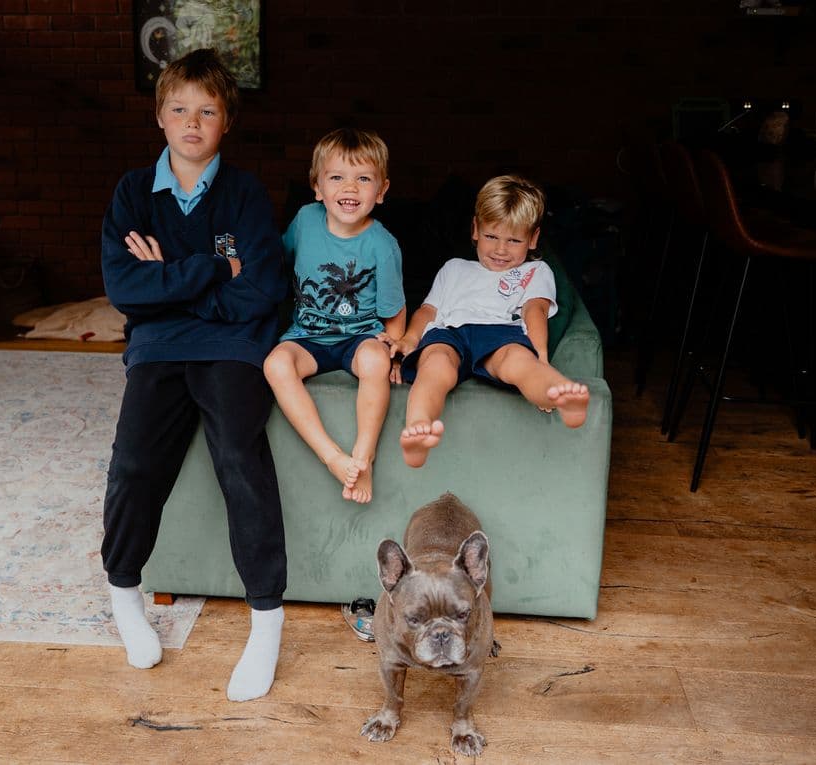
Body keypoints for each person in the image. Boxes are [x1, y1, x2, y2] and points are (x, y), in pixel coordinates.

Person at [99, 48, 288, 702]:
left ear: (226, 121)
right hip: (157, 348)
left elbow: (263, 289)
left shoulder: (244, 194)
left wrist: (170, 284)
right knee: (134, 462)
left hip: (233, 347)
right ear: (159, 115)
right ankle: (124, 593)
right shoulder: (134, 193)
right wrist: (210, 269)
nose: (192, 122)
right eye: (179, 109)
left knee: (238, 454)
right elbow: (125, 289)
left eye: (207, 111)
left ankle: (266, 621)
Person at [395, 174, 590, 468]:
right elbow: (427, 311)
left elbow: (535, 312)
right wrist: (410, 339)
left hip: (500, 332)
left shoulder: (536, 270)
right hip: (449, 332)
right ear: (475, 229)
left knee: (518, 362)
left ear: (533, 238)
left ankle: (557, 393)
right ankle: (419, 427)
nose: (500, 250)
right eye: (491, 237)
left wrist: (541, 360)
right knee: (435, 365)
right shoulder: (454, 268)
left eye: (514, 240)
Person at [262, 127, 405, 504]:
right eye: (337, 177)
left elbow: (395, 308)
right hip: (306, 337)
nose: (350, 188)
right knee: (276, 364)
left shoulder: (383, 245)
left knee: (375, 359)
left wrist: (395, 349)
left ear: (382, 190)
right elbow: (278, 262)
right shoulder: (305, 221)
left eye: (364, 179)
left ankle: (364, 456)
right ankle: (332, 457)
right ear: (317, 186)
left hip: (359, 338)